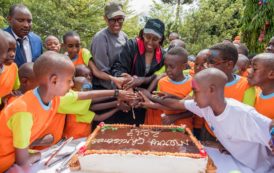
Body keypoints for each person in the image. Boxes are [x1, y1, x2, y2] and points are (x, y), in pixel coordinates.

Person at [0, 51, 136, 172]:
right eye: (69, 80)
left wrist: (116, 92)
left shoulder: (54, 98)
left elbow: (84, 96)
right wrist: (41, 154)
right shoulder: (24, 111)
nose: (72, 85)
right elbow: (22, 161)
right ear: (54, 81)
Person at [140, 68, 274, 173]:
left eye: (195, 91)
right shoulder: (205, 107)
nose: (192, 96)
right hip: (235, 162)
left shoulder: (243, 114)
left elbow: (269, 128)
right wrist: (151, 97)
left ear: (211, 90)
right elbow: (177, 104)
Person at [111, 18, 165, 125]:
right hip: (127, 99)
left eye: (155, 39)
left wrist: (142, 81)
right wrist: (130, 92)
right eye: (147, 37)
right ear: (142, 34)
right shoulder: (131, 46)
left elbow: (161, 76)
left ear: (161, 39)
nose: (150, 42)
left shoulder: (163, 55)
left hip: (146, 102)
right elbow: (118, 69)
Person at [203, 42, 256, 140]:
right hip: (209, 134)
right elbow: (188, 101)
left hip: (234, 138)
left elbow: (245, 117)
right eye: (207, 61)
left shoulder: (246, 86)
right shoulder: (205, 82)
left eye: (212, 62)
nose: (207, 66)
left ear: (229, 64)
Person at [91, 1, 128, 89]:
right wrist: (118, 89)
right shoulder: (101, 38)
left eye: (120, 19)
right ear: (105, 18)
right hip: (105, 87)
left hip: (121, 80)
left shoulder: (124, 36)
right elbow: (102, 71)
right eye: (112, 20)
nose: (117, 23)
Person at [157, 47, 193, 128]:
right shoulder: (162, 82)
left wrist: (174, 117)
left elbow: (193, 110)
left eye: (172, 67)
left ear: (183, 66)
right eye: (166, 66)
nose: (168, 70)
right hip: (165, 126)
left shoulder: (192, 83)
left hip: (185, 128)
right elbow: (160, 104)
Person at [248, 53, 274, 120]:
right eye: (250, 67)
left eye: (254, 69)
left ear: (271, 74)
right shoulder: (253, 92)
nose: (248, 71)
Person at [0, 31, 20, 109]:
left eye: (14, 50)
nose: (12, 54)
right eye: (8, 50)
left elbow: (15, 88)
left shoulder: (13, 67)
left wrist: (12, 94)